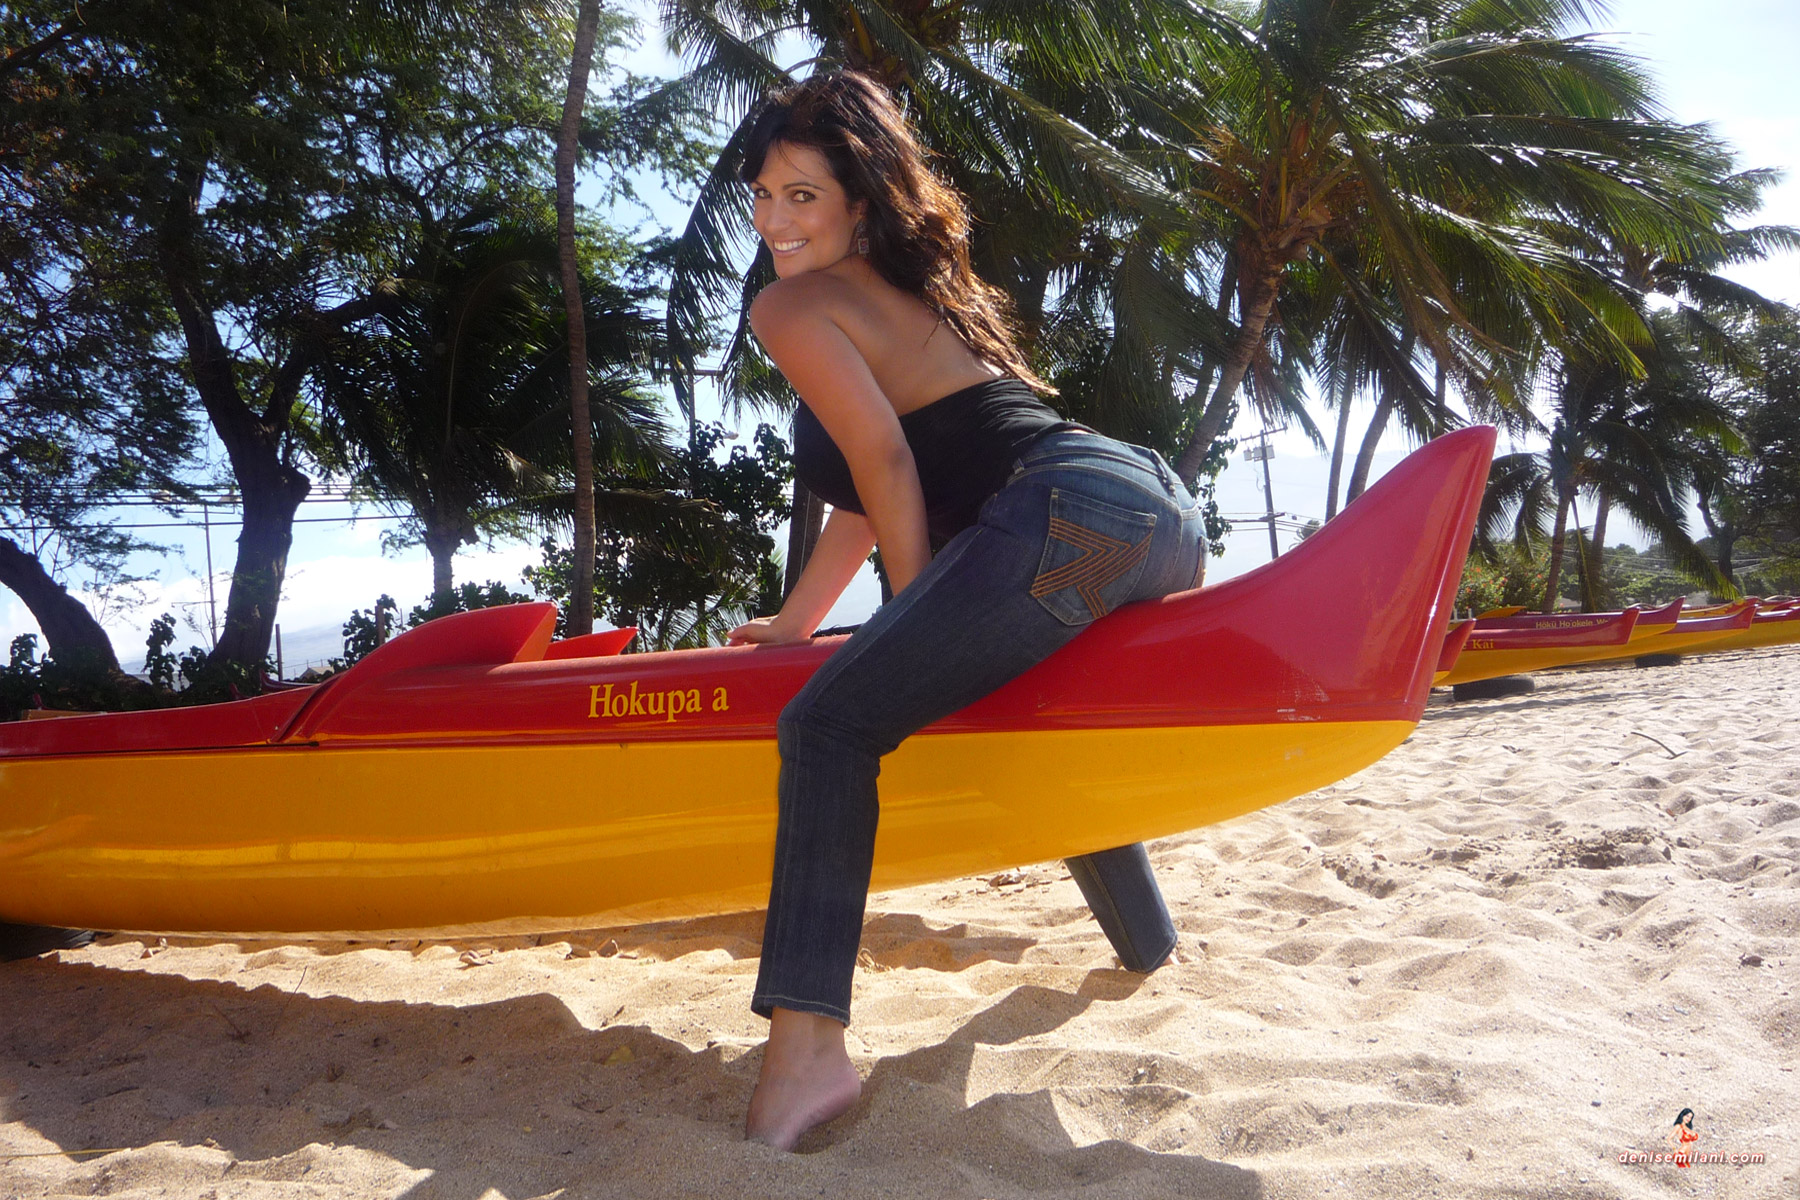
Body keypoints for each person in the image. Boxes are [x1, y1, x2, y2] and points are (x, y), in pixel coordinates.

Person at [724, 70, 1205, 1150]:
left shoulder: (789, 305)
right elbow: (870, 487)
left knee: (828, 725)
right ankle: (1148, 941)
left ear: (858, 204)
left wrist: (904, 615)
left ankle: (806, 1057)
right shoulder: (905, 300)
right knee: (1025, 697)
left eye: (803, 196)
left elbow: (889, 464)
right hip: (1153, 515)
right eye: (763, 196)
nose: (775, 221)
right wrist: (800, 621)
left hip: (1065, 511)